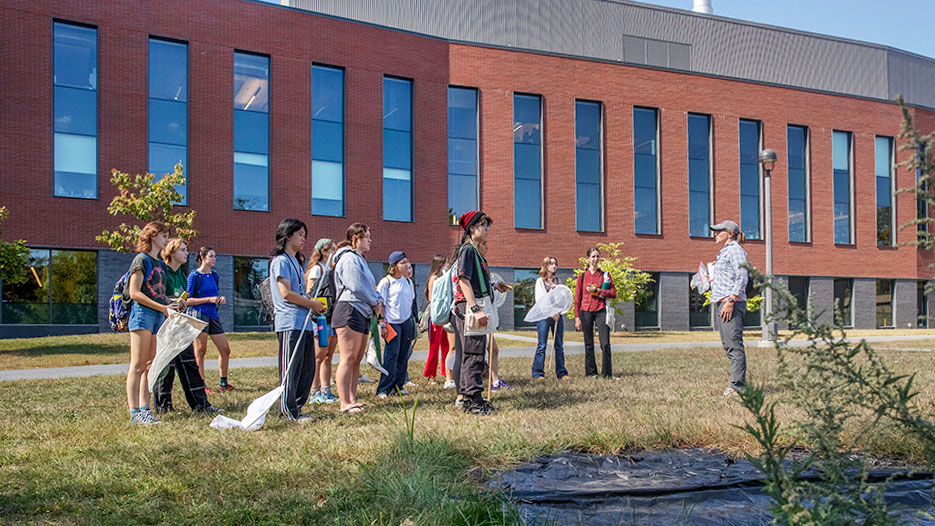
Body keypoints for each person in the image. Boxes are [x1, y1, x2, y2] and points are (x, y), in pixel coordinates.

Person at [153, 238, 222, 415]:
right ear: (171, 252)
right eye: (182, 250)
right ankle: (164, 407)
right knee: (166, 367)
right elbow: (158, 297)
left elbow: (184, 297)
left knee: (189, 363)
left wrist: (182, 303)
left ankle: (201, 405)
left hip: (179, 324)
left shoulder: (181, 274)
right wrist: (172, 302)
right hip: (164, 326)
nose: (186, 253)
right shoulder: (162, 271)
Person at [269, 218, 324, 421]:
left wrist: (313, 305)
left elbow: (300, 292)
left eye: (305, 235)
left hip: (304, 322)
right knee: (290, 368)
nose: (303, 239)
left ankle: (297, 406)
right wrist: (312, 304)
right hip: (289, 322)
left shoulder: (297, 262)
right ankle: (287, 410)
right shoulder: (281, 261)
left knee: (306, 368)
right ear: (288, 235)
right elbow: (286, 293)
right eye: (300, 234)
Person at [125, 221, 175, 425]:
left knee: (149, 366)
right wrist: (163, 308)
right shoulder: (141, 260)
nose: (167, 239)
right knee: (137, 365)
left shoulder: (161, 264)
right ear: (153, 236)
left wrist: (173, 303)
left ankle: (145, 409)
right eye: (164, 235)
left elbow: (161, 295)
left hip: (157, 316)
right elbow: (134, 292)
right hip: (143, 314)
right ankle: (134, 411)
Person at [332, 223, 384, 414]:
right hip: (349, 309)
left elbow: (369, 286)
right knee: (347, 357)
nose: (370, 240)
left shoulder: (359, 259)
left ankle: (352, 399)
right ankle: (344, 402)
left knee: (356, 359)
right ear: (356, 238)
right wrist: (374, 302)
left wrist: (377, 300)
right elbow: (356, 285)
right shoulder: (348, 259)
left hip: (362, 311)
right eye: (367, 237)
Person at [451, 210, 496, 415]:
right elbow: (463, 280)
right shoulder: (468, 250)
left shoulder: (475, 251)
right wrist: (475, 309)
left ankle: (469, 398)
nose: (487, 229)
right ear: (472, 228)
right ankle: (474, 400)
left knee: (475, 351)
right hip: (470, 306)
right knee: (473, 354)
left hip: (474, 304)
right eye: (483, 225)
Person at [709, 220, 749, 397]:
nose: (715, 234)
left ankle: (738, 387)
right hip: (723, 301)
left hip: (730, 303)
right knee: (728, 345)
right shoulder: (725, 252)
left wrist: (731, 300)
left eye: (719, 231)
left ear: (730, 233)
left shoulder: (735, 250)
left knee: (734, 345)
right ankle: (736, 384)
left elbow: (742, 276)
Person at [187, 247, 236, 393]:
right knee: (201, 351)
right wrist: (208, 299)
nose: (214, 259)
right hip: (199, 315)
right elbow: (188, 300)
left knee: (225, 350)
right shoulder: (194, 276)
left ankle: (223, 383)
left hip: (213, 315)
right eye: (211, 256)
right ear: (203, 257)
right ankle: (202, 385)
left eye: (215, 256)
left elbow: (215, 293)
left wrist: (219, 299)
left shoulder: (215, 275)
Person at [375, 251, 415, 399]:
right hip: (392, 323)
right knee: (392, 355)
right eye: (402, 263)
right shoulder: (386, 282)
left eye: (407, 262)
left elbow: (410, 301)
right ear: (394, 266)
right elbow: (381, 304)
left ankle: (398, 385)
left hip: (405, 322)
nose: (406, 265)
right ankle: (384, 387)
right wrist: (382, 323)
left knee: (404, 354)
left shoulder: (408, 282)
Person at [573, 247, 618, 379]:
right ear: (588, 258)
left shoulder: (605, 275)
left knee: (605, 343)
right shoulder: (582, 277)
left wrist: (598, 291)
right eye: (593, 256)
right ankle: (591, 372)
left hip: (601, 310)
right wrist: (577, 317)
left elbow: (613, 294)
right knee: (588, 343)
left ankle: (607, 373)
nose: (595, 259)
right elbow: (577, 299)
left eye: (597, 256)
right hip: (585, 311)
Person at [305, 238, 339, 404]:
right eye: (331, 249)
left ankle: (326, 389)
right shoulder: (316, 270)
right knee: (319, 355)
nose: (334, 252)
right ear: (324, 252)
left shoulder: (332, 270)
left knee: (329, 355)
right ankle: (314, 390)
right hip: (320, 318)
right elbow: (309, 293)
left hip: (332, 315)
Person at [532, 255, 568, 380]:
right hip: (544, 316)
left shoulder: (558, 282)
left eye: (555, 263)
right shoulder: (540, 281)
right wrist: (550, 311)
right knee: (542, 345)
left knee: (559, 344)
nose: (554, 266)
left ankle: (562, 373)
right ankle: (538, 373)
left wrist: (558, 311)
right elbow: (540, 299)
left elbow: (562, 298)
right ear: (546, 266)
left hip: (557, 316)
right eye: (551, 263)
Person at [422, 255, 450, 384]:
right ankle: (431, 374)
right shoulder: (434, 278)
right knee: (434, 346)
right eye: (445, 263)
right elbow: (430, 298)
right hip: (435, 315)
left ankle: (446, 372)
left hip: (444, 315)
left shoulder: (443, 278)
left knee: (446, 345)